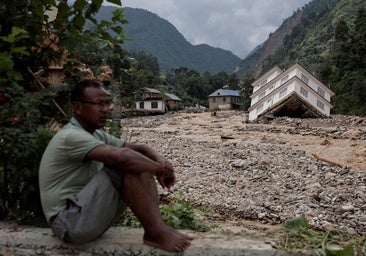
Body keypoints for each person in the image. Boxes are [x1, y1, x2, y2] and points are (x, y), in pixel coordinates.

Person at [39, 79, 193, 252]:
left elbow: (140, 149)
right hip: (68, 224)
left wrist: (161, 160)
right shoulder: (71, 136)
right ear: (78, 108)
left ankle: (157, 228)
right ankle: (156, 232)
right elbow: (125, 159)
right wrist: (159, 169)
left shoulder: (96, 134)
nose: (106, 109)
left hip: (83, 216)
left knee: (138, 162)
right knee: (127, 164)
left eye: (107, 103)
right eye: (99, 104)